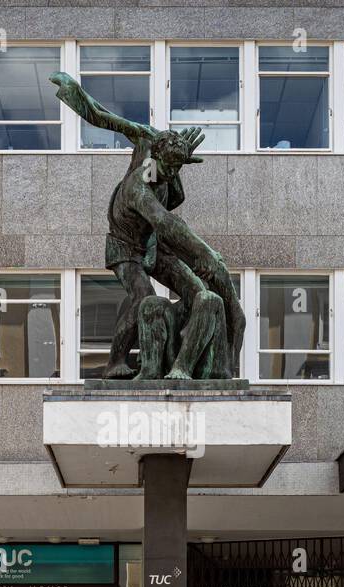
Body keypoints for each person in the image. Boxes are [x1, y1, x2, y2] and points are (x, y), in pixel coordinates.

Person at [49, 72, 244, 380]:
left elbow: (165, 222)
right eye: (167, 166)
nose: (170, 174)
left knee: (199, 293)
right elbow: (103, 117)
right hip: (125, 245)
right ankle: (116, 361)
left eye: (177, 168)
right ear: (156, 154)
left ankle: (179, 357)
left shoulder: (169, 169)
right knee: (143, 296)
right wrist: (74, 94)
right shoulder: (141, 175)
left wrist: (179, 160)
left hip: (152, 241)